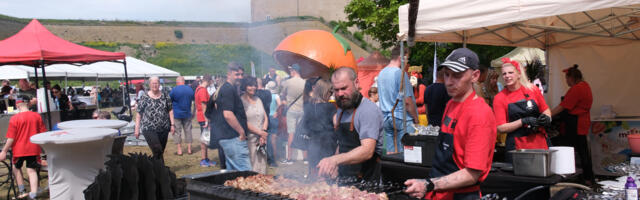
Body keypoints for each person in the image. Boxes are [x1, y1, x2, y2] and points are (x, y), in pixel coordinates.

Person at [404, 48, 497, 200]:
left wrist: (428, 184)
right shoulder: (451, 103)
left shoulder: (480, 114)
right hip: (439, 192)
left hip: (461, 195)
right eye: (446, 74)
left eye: (457, 76)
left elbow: (472, 174)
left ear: (475, 76)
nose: (449, 81)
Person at [317, 67, 384, 182]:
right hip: (345, 180)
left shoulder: (368, 110)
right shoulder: (341, 111)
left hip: (367, 180)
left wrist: (334, 160)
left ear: (356, 83)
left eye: (344, 88)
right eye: (336, 90)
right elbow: (342, 144)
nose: (340, 94)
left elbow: (367, 151)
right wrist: (333, 167)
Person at [493, 57, 552, 162]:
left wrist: (547, 117)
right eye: (504, 74)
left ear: (519, 74)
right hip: (516, 145)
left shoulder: (532, 89)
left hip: (539, 141)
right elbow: (500, 128)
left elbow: (546, 110)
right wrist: (523, 121)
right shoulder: (499, 98)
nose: (507, 76)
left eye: (510, 72)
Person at [551, 64, 593, 182]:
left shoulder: (577, 89)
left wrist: (547, 114)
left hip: (576, 123)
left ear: (571, 78)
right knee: (583, 150)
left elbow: (562, 107)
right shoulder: (586, 86)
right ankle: (588, 178)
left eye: (566, 78)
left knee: (574, 152)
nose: (566, 81)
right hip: (582, 122)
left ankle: (580, 178)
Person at [206, 62, 251, 171]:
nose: (240, 77)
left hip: (228, 137)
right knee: (245, 174)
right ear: (229, 74)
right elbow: (228, 114)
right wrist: (241, 132)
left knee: (233, 175)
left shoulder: (226, 88)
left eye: (241, 75)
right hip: (233, 138)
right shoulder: (228, 89)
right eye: (237, 74)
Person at [0, 98, 46, 199]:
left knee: (16, 168)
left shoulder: (14, 118)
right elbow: (43, 134)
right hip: (33, 148)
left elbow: (11, 138)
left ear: (17, 106)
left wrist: (4, 151)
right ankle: (33, 194)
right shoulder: (37, 116)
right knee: (31, 170)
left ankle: (22, 191)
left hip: (18, 150)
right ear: (28, 104)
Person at [378, 45, 419, 153]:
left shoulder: (381, 73)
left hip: (386, 117)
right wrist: (416, 118)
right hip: (402, 118)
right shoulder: (400, 74)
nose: (407, 61)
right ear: (402, 57)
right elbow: (407, 102)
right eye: (407, 58)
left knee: (390, 154)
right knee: (407, 153)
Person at [303, 78, 337, 180]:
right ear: (325, 91)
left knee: (314, 169)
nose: (331, 94)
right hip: (327, 142)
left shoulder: (308, 106)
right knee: (326, 171)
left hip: (312, 142)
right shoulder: (330, 107)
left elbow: (305, 125)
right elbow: (336, 124)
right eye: (330, 91)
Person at [135, 76, 175, 163]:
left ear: (159, 84)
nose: (154, 85)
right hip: (149, 128)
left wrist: (172, 124)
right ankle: (161, 170)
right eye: (153, 83)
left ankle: (155, 169)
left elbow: (170, 110)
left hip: (164, 127)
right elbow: (138, 113)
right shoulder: (145, 97)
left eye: (156, 83)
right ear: (149, 85)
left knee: (160, 151)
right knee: (157, 149)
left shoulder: (165, 96)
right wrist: (137, 129)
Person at [240, 77, 269, 174]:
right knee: (252, 165)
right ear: (244, 86)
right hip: (249, 140)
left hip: (262, 139)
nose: (253, 87)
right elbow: (243, 121)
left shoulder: (258, 99)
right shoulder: (241, 101)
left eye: (254, 85)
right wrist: (259, 133)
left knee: (262, 164)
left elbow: (265, 117)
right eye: (250, 85)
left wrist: (263, 132)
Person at [280, 64, 305, 164]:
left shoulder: (288, 82)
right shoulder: (305, 82)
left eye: (291, 70)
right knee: (302, 133)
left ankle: (289, 158)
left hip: (291, 110)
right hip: (302, 110)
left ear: (294, 71)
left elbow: (282, 94)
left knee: (291, 133)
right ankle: (305, 158)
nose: (290, 72)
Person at [195, 75, 218, 167]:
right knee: (205, 139)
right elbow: (204, 106)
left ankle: (206, 158)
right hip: (204, 118)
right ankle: (204, 159)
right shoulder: (203, 91)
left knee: (204, 138)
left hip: (201, 117)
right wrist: (207, 121)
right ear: (209, 81)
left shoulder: (198, 88)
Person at [169, 76, 195, 156]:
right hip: (187, 113)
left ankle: (179, 150)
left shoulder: (174, 90)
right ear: (184, 81)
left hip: (177, 114)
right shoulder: (190, 89)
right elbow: (194, 100)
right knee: (188, 131)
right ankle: (189, 149)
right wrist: (193, 112)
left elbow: (169, 101)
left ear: (177, 82)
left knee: (177, 132)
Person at [265, 81, 281, 166]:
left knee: (268, 139)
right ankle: (274, 159)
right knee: (273, 140)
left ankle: (269, 158)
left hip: (267, 118)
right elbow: (280, 105)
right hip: (274, 118)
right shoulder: (276, 96)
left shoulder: (267, 95)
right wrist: (276, 112)